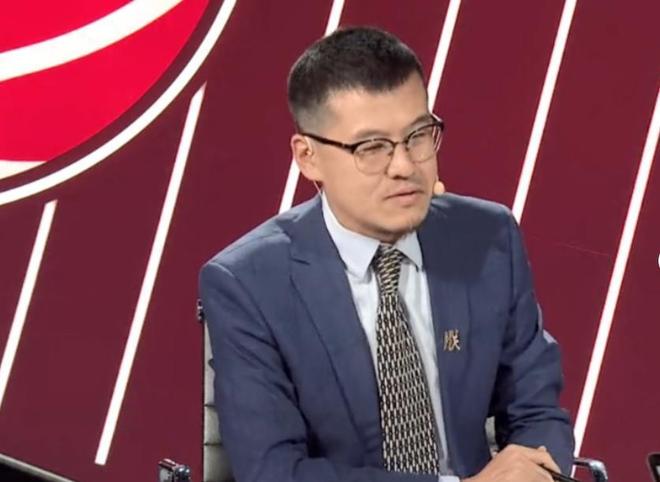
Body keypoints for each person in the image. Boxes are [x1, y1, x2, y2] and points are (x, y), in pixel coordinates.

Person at [199, 26, 574, 482]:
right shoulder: (248, 282)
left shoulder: (488, 238)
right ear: (308, 156)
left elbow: (537, 411)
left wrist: (537, 471)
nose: (404, 166)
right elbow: (274, 472)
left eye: (418, 135)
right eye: (371, 147)